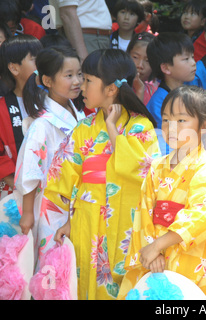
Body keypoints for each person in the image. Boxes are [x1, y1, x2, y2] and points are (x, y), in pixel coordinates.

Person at [47, 49, 160, 300]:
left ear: (110, 89)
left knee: (117, 286)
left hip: (123, 220)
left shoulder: (140, 125)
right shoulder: (84, 127)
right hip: (85, 219)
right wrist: (68, 220)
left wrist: (111, 128)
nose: (81, 85)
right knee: (84, 284)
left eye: (87, 80)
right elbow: (68, 176)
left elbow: (145, 173)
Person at [117, 86, 206, 300]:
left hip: (191, 260)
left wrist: (158, 245)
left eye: (181, 121)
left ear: (205, 126)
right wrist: (153, 252)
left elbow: (204, 216)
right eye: (166, 120)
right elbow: (144, 214)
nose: (171, 127)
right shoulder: (157, 167)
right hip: (154, 260)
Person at [13, 46, 86, 271]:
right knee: (53, 268)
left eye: (80, 74)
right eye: (69, 75)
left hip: (79, 202)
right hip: (51, 205)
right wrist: (27, 213)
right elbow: (31, 171)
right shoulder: (43, 123)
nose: (77, 81)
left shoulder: (81, 114)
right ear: (47, 80)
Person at [0, 35, 43, 200]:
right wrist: (18, 186)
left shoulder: (54, 102)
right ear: (14, 68)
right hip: (15, 193)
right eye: (35, 60)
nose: (43, 65)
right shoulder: (2, 108)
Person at [146, 32, 196, 155]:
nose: (193, 62)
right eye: (186, 59)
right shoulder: (159, 102)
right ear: (166, 68)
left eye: (193, 57)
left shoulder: (190, 92)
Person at [127, 32, 158, 105]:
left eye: (147, 60)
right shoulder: (116, 88)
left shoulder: (154, 93)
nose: (140, 65)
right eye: (135, 57)